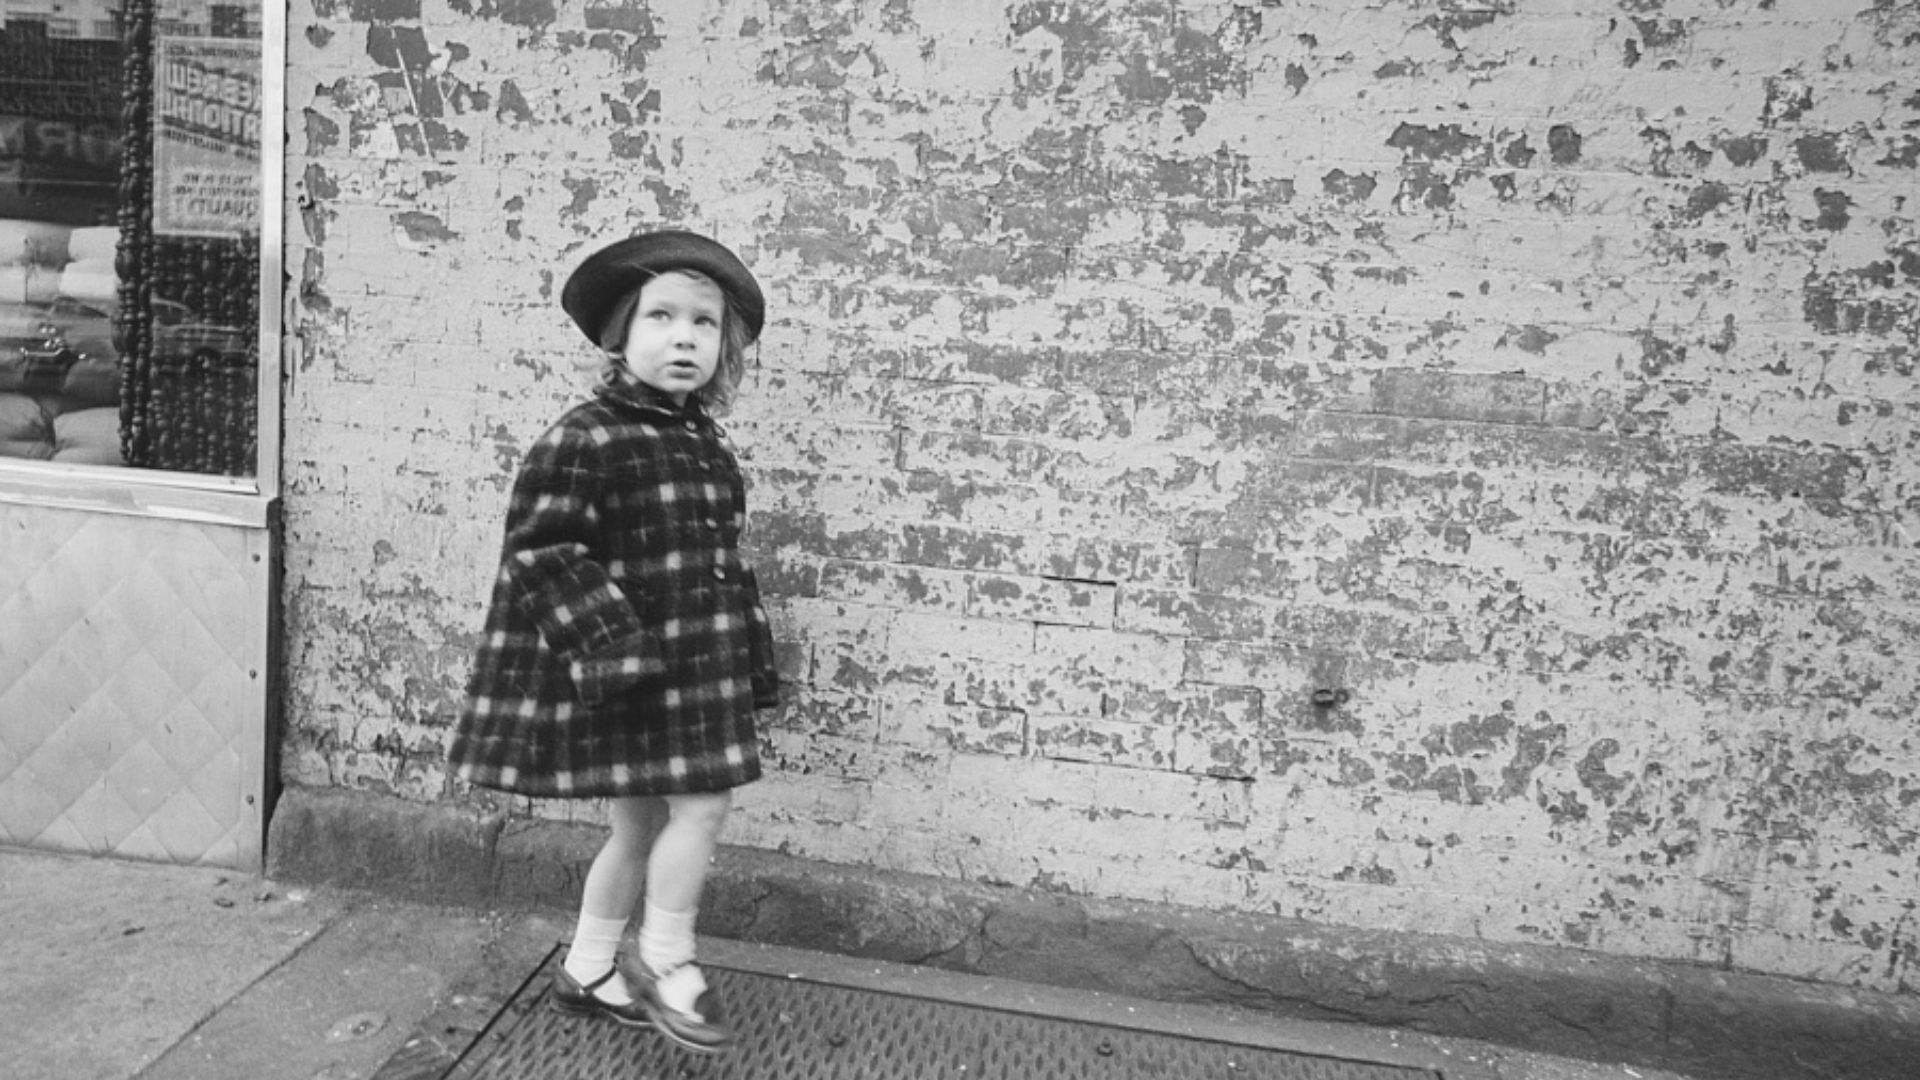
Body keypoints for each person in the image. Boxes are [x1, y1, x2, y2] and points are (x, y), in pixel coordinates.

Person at [445, 230, 781, 1053]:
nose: (684, 336)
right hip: (634, 668)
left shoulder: (700, 440)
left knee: (637, 826)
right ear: (618, 336)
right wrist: (617, 653)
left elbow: (715, 565)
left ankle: (590, 967)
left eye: (704, 324)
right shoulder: (585, 436)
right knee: (702, 805)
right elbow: (541, 552)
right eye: (661, 316)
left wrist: (749, 658)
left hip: (691, 667)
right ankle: (666, 960)